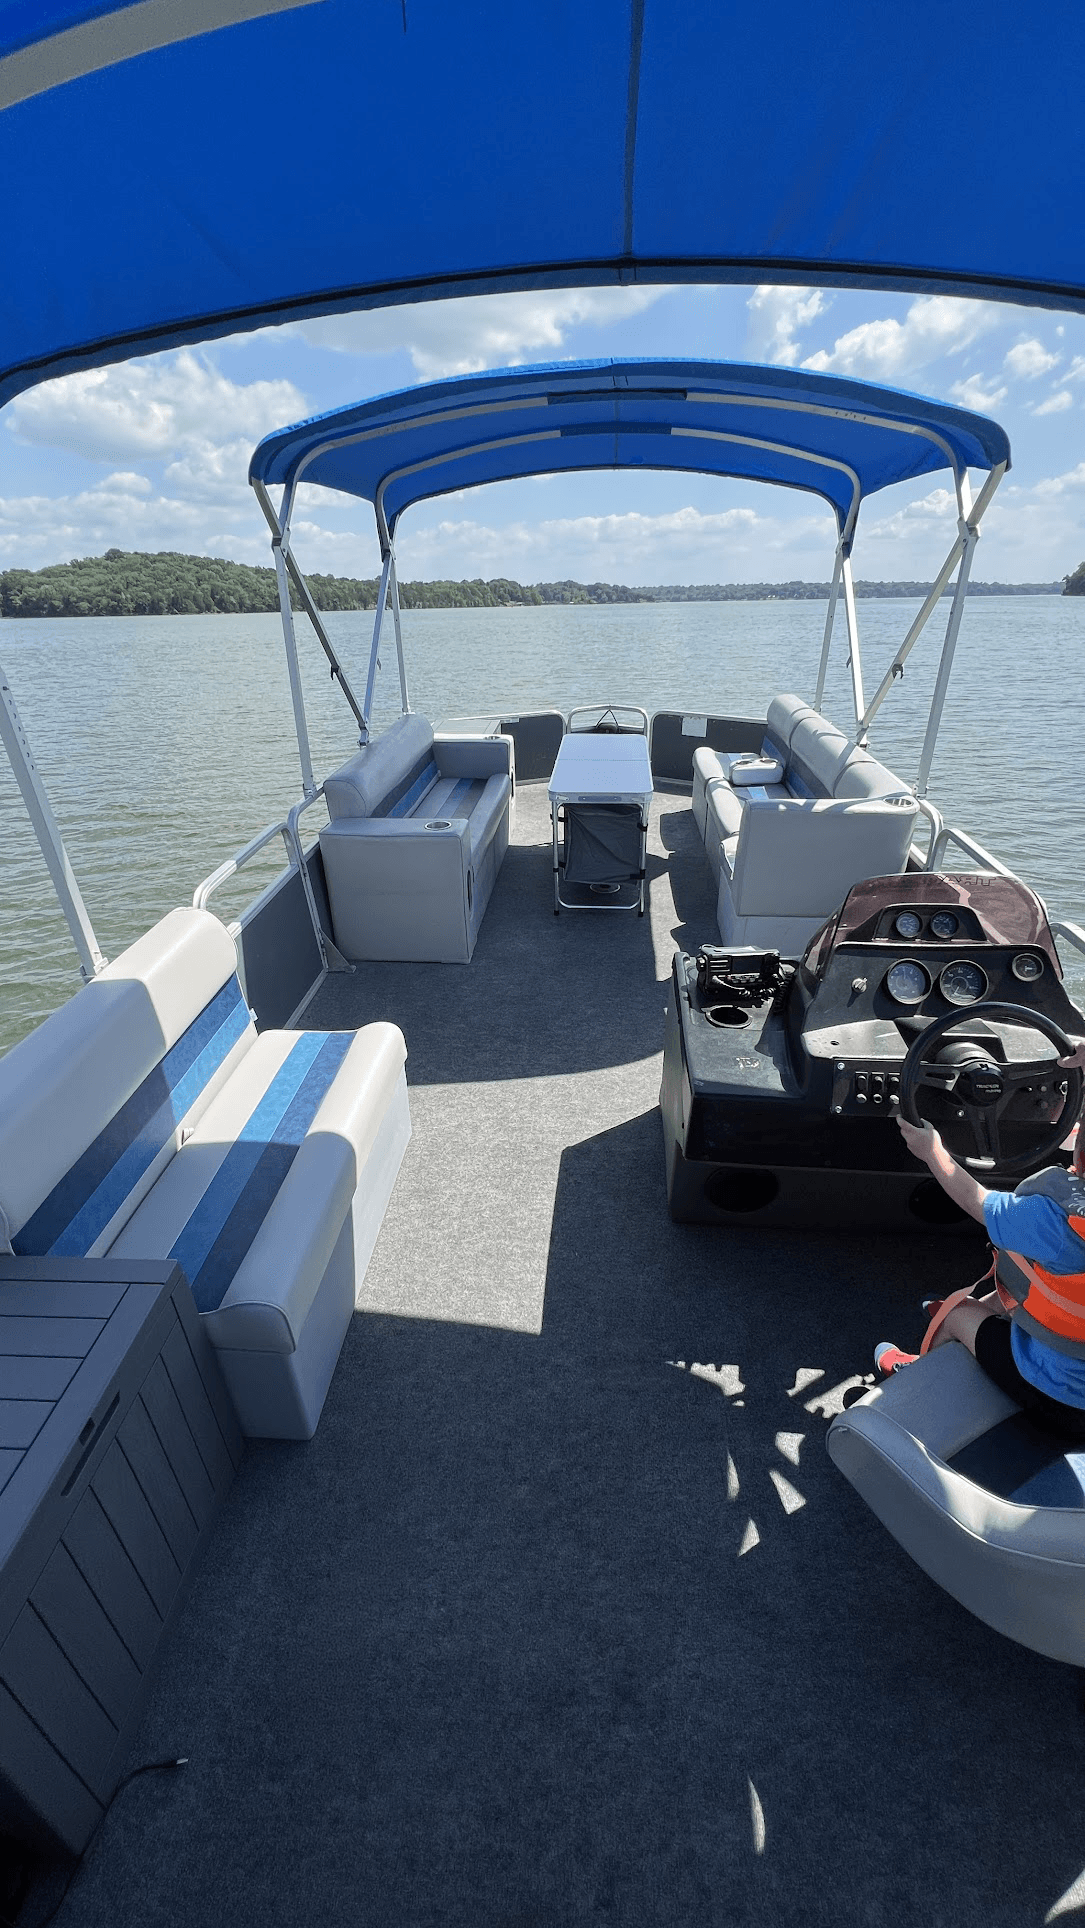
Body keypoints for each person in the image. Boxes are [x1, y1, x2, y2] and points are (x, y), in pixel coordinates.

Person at [875, 1038, 1085, 1439]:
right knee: (1032, 1279)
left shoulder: (1052, 1221)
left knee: (957, 1314)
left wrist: (931, 1151)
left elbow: (977, 1201)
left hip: (1063, 1402)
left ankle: (910, 1376)